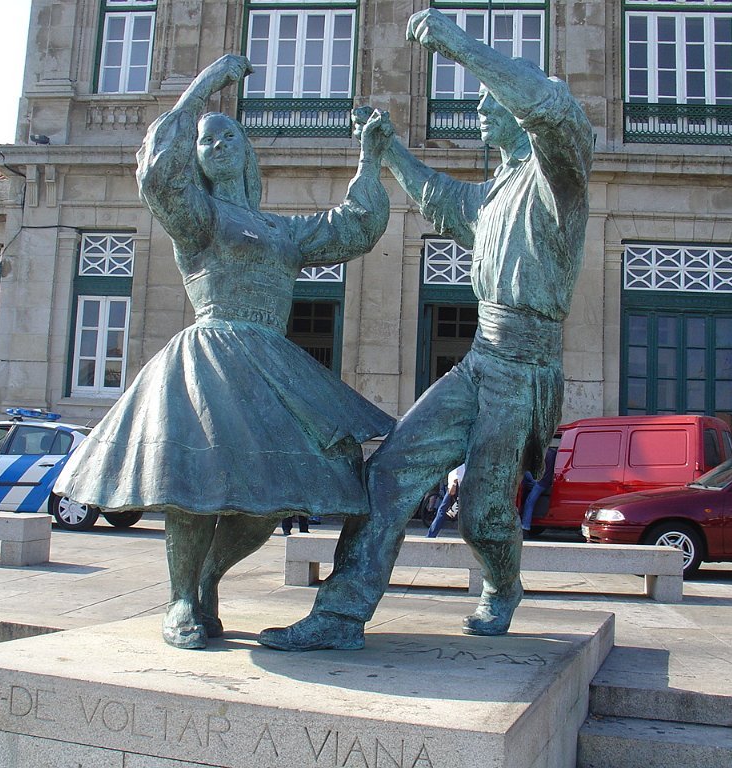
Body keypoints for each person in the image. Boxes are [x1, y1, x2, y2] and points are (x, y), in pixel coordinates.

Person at [259, 9, 593, 651]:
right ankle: (340, 615)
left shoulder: (559, 179)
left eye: (490, 101)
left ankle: (503, 585)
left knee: (483, 514)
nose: (479, 111)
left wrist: (459, 45)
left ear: (517, 111)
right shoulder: (497, 194)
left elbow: (551, 110)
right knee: (389, 471)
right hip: (480, 359)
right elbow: (441, 199)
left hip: (525, 370)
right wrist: (389, 151)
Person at [54, 54, 395, 650]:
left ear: (246, 152)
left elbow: (354, 227)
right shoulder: (199, 217)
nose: (216, 145)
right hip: (208, 358)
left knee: (271, 499)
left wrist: (370, 155)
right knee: (190, 490)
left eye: (227, 136)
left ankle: (208, 579)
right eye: (206, 140)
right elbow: (159, 179)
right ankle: (181, 600)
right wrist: (201, 91)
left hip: (272, 365)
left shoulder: (281, 230)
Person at [520, 446, 557, 531]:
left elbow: (537, 470)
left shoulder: (542, 454)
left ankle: (525, 526)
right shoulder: (552, 453)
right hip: (545, 481)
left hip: (541, 481)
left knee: (529, 502)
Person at [426, 464, 464, 538]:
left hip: (457, 483)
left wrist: (454, 483)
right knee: (444, 510)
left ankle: (431, 535)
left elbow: (458, 469)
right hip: (460, 483)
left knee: (443, 510)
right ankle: (431, 534)